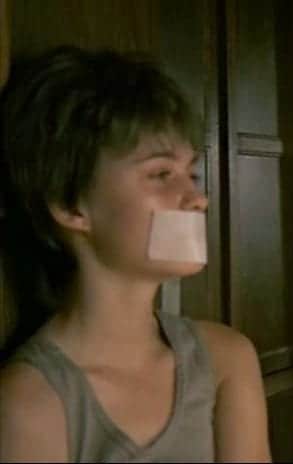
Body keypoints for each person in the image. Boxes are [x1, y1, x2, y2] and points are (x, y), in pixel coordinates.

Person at [0, 47, 271, 462]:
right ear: (71, 205)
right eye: (161, 174)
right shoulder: (30, 400)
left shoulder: (227, 359)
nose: (198, 198)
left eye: (192, 174)